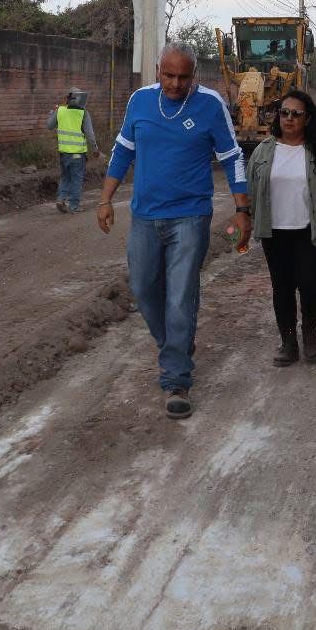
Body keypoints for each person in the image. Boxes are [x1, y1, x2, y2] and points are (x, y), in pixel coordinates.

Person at [97, 45, 250, 420]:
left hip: (190, 216)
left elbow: (232, 157)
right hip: (144, 216)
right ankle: (174, 346)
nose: (176, 84)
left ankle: (176, 379)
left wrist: (242, 210)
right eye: (169, 75)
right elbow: (123, 150)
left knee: (181, 297)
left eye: (184, 77)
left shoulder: (210, 104)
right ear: (157, 71)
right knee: (142, 288)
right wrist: (105, 199)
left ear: (194, 74)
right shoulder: (140, 101)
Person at [248, 90, 316, 366]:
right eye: (284, 113)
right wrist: (243, 221)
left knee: (310, 285)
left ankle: (309, 332)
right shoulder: (263, 151)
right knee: (281, 288)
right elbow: (250, 191)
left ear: (307, 119)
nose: (289, 118)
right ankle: (289, 341)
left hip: (311, 231)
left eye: (296, 114)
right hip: (274, 232)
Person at [46, 88, 97, 213]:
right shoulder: (83, 113)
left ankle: (61, 198)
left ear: (67, 98)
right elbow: (90, 135)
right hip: (78, 154)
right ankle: (74, 206)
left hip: (64, 153)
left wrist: (53, 112)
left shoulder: (60, 110)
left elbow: (49, 126)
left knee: (65, 177)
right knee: (76, 179)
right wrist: (95, 149)